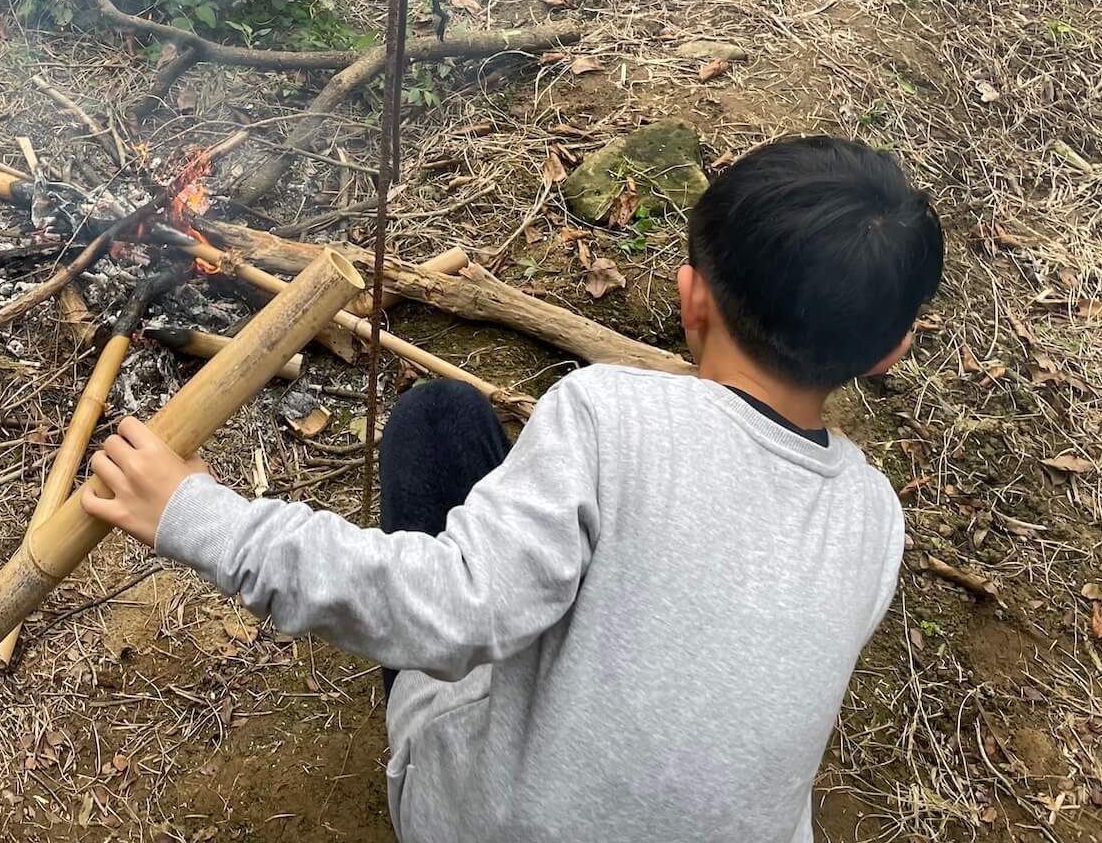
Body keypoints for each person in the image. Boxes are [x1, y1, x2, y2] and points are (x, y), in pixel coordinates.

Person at [82, 135, 943, 843]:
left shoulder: (612, 416)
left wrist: (199, 516)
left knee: (441, 421)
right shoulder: (874, 517)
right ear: (887, 353)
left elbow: (448, 614)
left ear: (690, 298)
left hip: (492, 823)